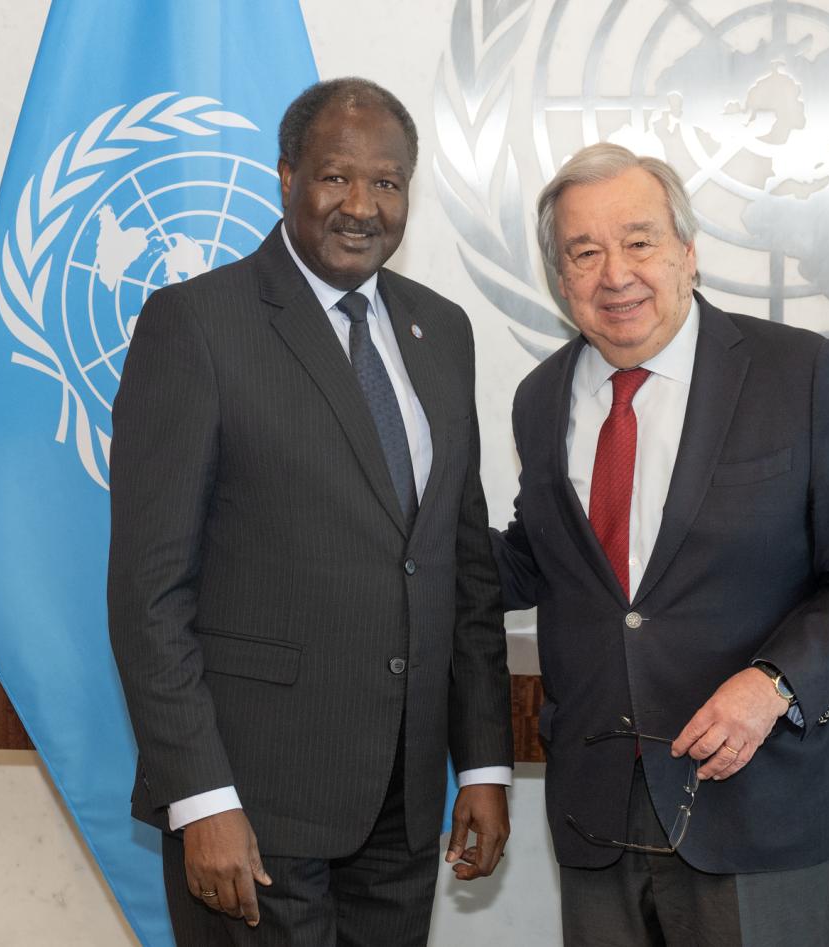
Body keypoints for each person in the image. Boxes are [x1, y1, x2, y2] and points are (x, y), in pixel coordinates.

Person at [108, 77, 513, 946]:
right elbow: (149, 593)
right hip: (254, 808)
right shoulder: (197, 325)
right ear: (286, 176)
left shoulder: (441, 331)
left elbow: (459, 564)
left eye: (389, 182)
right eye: (335, 177)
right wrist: (203, 798)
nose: (362, 205)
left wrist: (481, 761)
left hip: (402, 808)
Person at [493, 143, 829, 946]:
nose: (615, 273)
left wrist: (775, 683)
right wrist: (385, 541)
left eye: (640, 240)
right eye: (585, 252)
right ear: (561, 281)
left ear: (688, 253)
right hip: (597, 809)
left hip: (756, 799)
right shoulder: (540, 398)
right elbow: (540, 556)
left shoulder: (794, 373)